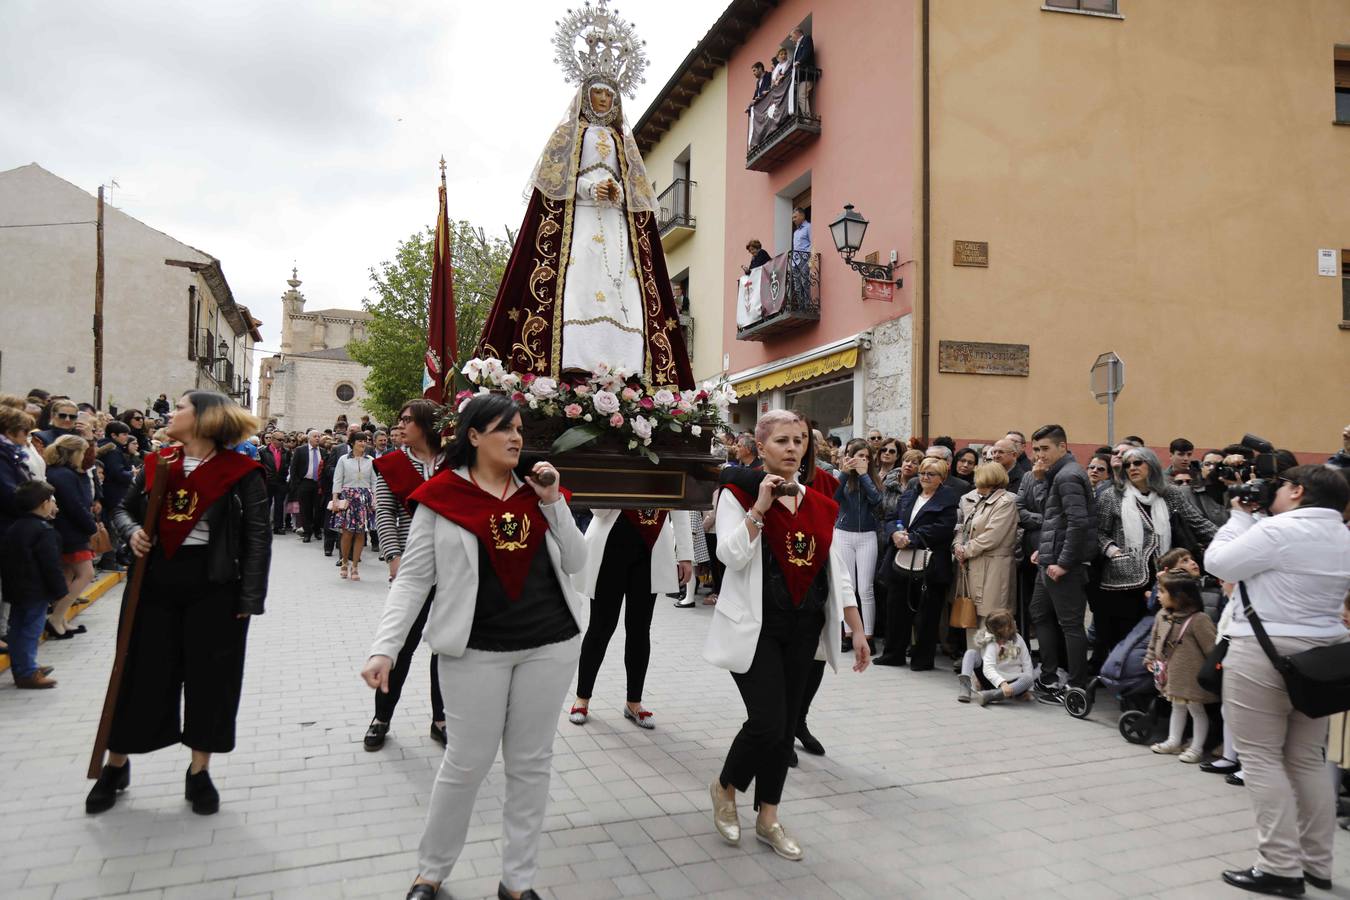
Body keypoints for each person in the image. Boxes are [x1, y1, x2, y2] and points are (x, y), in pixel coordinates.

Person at [361, 395, 582, 900]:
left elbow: (576, 561)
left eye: (520, 429)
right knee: (466, 763)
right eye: (504, 428)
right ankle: (431, 871)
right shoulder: (442, 497)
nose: (515, 437)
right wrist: (385, 648)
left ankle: (518, 881)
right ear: (474, 435)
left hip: (549, 644)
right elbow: (414, 579)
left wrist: (554, 502)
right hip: (474, 650)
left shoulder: (537, 491)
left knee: (531, 764)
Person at [475, 10, 694, 388]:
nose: (605, 98)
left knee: (621, 288)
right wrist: (589, 188)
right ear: (585, 94)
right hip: (581, 222)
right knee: (578, 282)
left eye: (611, 93)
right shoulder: (570, 134)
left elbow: (637, 190)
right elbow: (554, 183)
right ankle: (575, 358)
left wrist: (620, 191)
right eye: (598, 91)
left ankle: (622, 363)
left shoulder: (626, 144)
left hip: (615, 224)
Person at [88, 391, 270, 816]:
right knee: (139, 673)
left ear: (205, 419)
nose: (172, 414)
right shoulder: (158, 464)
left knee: (212, 678)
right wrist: (131, 530)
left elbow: (257, 538)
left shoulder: (243, 473)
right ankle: (117, 764)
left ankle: (199, 771)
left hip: (215, 585)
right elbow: (122, 509)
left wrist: (251, 597)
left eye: (182, 407)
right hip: (153, 584)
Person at [704, 410, 870, 861]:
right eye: (782, 440)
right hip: (757, 628)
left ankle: (769, 817)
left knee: (784, 731)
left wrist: (856, 629)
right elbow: (730, 556)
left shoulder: (819, 497)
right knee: (767, 722)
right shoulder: (737, 492)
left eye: (799, 440)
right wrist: (760, 508)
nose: (794, 448)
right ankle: (725, 787)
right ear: (761, 448)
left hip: (805, 627)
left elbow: (834, 569)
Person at [1205, 465, 1350, 896]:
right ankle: (1315, 863)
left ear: (1298, 490)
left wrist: (1239, 516)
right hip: (1323, 656)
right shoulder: (1344, 535)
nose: (1276, 492)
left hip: (1264, 652)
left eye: (1284, 485)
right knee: (1308, 759)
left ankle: (1279, 866)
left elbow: (1217, 561)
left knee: (1261, 759)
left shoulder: (1279, 531)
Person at [366, 399, 447, 751]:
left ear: (427, 424)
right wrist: (392, 556)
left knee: (446, 647)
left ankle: (441, 718)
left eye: (408, 420)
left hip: (451, 565)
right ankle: (381, 716)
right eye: (399, 419)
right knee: (400, 644)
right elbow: (384, 511)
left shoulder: (454, 463)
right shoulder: (391, 464)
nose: (400, 426)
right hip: (412, 562)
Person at [570, 508, 693, 728]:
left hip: (651, 548)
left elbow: (681, 507)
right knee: (600, 627)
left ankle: (633, 702)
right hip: (610, 545)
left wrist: (685, 554)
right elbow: (598, 510)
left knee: (639, 629)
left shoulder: (669, 471)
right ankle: (582, 697)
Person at [1027, 424, 1096, 699]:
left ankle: (1077, 686)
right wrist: (1044, 552)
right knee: (1039, 612)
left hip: (1064, 566)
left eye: (1045, 449)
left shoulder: (1068, 476)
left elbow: (1078, 523)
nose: (1039, 455)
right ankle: (1050, 676)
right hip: (1050, 559)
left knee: (1070, 624)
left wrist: (1064, 562)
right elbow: (1053, 516)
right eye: (1035, 450)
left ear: (1063, 447)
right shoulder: (1057, 475)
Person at [877, 457, 959, 669]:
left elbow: (944, 527)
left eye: (930, 474)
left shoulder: (948, 498)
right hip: (900, 559)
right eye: (922, 473)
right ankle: (892, 654)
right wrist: (895, 533)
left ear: (941, 478)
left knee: (927, 613)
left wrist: (911, 538)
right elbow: (891, 518)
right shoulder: (910, 494)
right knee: (896, 608)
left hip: (930, 564)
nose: (924, 477)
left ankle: (922, 659)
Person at [1143, 572, 1218, 762]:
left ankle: (1196, 748)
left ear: (1179, 596)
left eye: (1162, 591)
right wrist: (1150, 658)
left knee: (1196, 710)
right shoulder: (1162, 615)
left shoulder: (1198, 619)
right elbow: (1154, 641)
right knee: (1176, 706)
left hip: (1193, 678)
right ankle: (1174, 741)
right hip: (1172, 675)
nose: (1158, 595)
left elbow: (1212, 649)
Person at [1, 481, 65, 688]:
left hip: (16, 589)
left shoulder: (14, 527)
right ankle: (27, 672)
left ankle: (23, 666)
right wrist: (59, 590)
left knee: (17, 629)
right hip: (36, 590)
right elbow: (50, 564)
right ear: (44, 503)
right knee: (30, 630)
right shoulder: (43, 530)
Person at [952, 463, 1018, 642]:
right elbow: (964, 528)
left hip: (994, 567)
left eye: (980, 483)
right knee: (972, 617)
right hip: (975, 565)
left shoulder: (1005, 502)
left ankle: (995, 664)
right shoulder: (981, 501)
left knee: (994, 618)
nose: (977, 487)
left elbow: (992, 536)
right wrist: (958, 546)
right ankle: (974, 665)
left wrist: (965, 550)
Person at [43, 435, 98, 640]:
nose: (84, 456)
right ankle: (56, 618)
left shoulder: (62, 473)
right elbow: (75, 505)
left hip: (66, 530)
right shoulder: (64, 475)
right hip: (70, 531)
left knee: (67, 574)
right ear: (74, 453)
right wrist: (91, 526)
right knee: (86, 573)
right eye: (82, 452)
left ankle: (61, 618)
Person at [833, 438, 883, 652]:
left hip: (867, 536)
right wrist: (845, 473)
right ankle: (848, 633)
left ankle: (869, 634)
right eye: (858, 456)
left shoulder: (872, 478)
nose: (862, 460)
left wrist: (864, 475)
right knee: (848, 587)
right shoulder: (841, 476)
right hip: (844, 534)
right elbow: (833, 498)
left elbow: (877, 500)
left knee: (866, 588)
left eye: (866, 457)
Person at [957, 610, 1033, 706]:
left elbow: (1027, 662)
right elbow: (988, 668)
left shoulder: (1018, 639)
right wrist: (1002, 683)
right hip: (993, 680)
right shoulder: (991, 642)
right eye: (1009, 624)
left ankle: (991, 695)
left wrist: (1029, 689)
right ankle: (965, 687)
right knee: (971, 653)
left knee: (1028, 678)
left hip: (1012, 682)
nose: (1013, 624)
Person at [332, 432, 376, 580]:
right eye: (360, 441)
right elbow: (337, 480)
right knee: (347, 532)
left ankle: (355, 566)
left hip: (364, 498)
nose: (363, 444)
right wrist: (335, 499)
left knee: (361, 533)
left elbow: (374, 482)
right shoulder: (343, 459)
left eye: (365, 441)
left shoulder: (370, 460)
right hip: (348, 497)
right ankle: (344, 562)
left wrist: (375, 499)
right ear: (352, 443)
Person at [288, 430, 325, 542]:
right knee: (305, 509)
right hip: (304, 482)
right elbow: (293, 468)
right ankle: (307, 532)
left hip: (318, 483)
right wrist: (296, 485)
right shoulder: (300, 450)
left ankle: (317, 530)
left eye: (319, 436)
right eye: (315, 436)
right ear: (309, 438)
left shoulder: (323, 451)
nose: (317, 438)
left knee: (318, 508)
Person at [259, 430, 291, 534]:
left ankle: (278, 527)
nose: (282, 442)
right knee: (266, 505)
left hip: (281, 481)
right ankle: (263, 526)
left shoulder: (286, 452)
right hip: (267, 481)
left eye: (283, 440)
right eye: (280, 440)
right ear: (272, 440)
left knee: (279, 505)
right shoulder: (263, 452)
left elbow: (288, 465)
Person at [789, 26, 814, 116]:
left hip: (806, 75)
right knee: (796, 98)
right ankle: (802, 117)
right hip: (799, 78)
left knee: (801, 96)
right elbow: (791, 65)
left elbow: (807, 52)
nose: (791, 39)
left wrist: (799, 62)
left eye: (791, 36)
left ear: (797, 33)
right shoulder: (796, 47)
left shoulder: (806, 39)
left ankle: (807, 118)